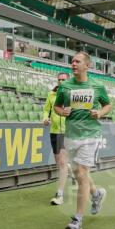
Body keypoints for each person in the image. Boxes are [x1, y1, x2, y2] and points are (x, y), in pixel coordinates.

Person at [53, 51, 112, 229]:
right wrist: (62, 112)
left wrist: (100, 113)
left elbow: (108, 105)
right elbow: (57, 106)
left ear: (87, 65)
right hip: (71, 135)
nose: (73, 64)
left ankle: (78, 219)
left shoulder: (97, 85)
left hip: (90, 135)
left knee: (82, 173)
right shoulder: (65, 87)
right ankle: (96, 194)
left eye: (77, 61)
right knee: (80, 174)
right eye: (72, 61)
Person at [42, 72, 72, 205]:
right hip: (54, 131)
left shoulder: (73, 94)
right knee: (59, 162)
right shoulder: (51, 94)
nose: (61, 82)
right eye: (59, 80)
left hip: (67, 132)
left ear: (68, 80)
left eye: (64, 80)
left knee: (61, 163)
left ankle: (60, 194)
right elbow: (46, 110)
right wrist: (45, 118)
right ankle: (71, 170)